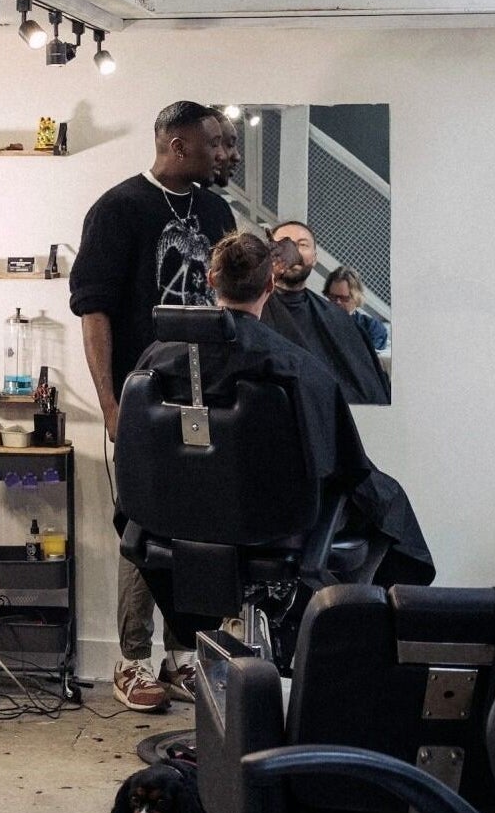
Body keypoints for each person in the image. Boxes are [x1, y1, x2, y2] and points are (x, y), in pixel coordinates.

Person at [125, 231, 434, 656]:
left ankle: (238, 626)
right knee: (385, 503)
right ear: (270, 285)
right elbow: (343, 464)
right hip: (270, 524)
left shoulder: (157, 359)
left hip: (178, 520)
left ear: (211, 280)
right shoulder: (295, 368)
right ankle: (332, 639)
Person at [69, 100, 237, 713]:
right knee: (142, 529)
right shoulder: (118, 210)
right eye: (214, 143)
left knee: (196, 530)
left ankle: (184, 657)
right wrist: (112, 405)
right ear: (177, 146)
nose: (226, 154)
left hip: (209, 399)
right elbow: (95, 314)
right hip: (145, 400)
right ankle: (132, 660)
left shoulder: (216, 211)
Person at [263, 222, 390, 404]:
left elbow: (368, 389)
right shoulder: (251, 311)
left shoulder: (339, 319)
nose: (292, 250)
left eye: (302, 244)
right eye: (283, 243)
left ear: (314, 258)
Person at [324, 266, 389, 352]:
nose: (337, 302)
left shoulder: (371, 328)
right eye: (332, 297)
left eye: (344, 298)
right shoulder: (317, 322)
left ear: (356, 298)